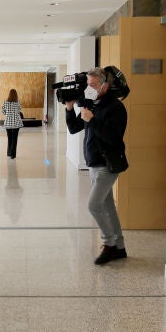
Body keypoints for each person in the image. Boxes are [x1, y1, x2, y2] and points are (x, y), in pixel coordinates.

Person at [65, 67, 129, 265]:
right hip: (93, 163)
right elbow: (74, 128)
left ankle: (109, 243)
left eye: (93, 85)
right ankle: (120, 247)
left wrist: (92, 121)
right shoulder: (92, 104)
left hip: (107, 164)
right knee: (107, 206)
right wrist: (69, 108)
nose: (88, 89)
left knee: (93, 205)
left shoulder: (116, 108)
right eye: (87, 84)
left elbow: (114, 138)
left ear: (105, 86)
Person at [1, 89, 24, 159]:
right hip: (16, 123)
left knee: (9, 138)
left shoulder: (5, 102)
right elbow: (19, 111)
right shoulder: (18, 102)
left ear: (9, 94)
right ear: (16, 94)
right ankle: (13, 155)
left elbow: (3, 111)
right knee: (15, 139)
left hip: (8, 123)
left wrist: (8, 114)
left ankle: (9, 153)